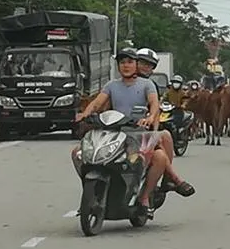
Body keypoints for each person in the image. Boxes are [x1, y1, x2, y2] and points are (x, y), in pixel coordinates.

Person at [74, 48, 194, 217]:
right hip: (113, 132)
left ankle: (145, 198)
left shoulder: (147, 85)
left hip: (137, 134)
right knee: (77, 153)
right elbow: (96, 103)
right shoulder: (111, 85)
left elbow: (153, 105)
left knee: (159, 157)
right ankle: (90, 195)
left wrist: (150, 117)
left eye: (130, 62)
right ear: (118, 66)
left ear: (136, 65)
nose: (126, 66)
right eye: (122, 62)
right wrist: (85, 115)